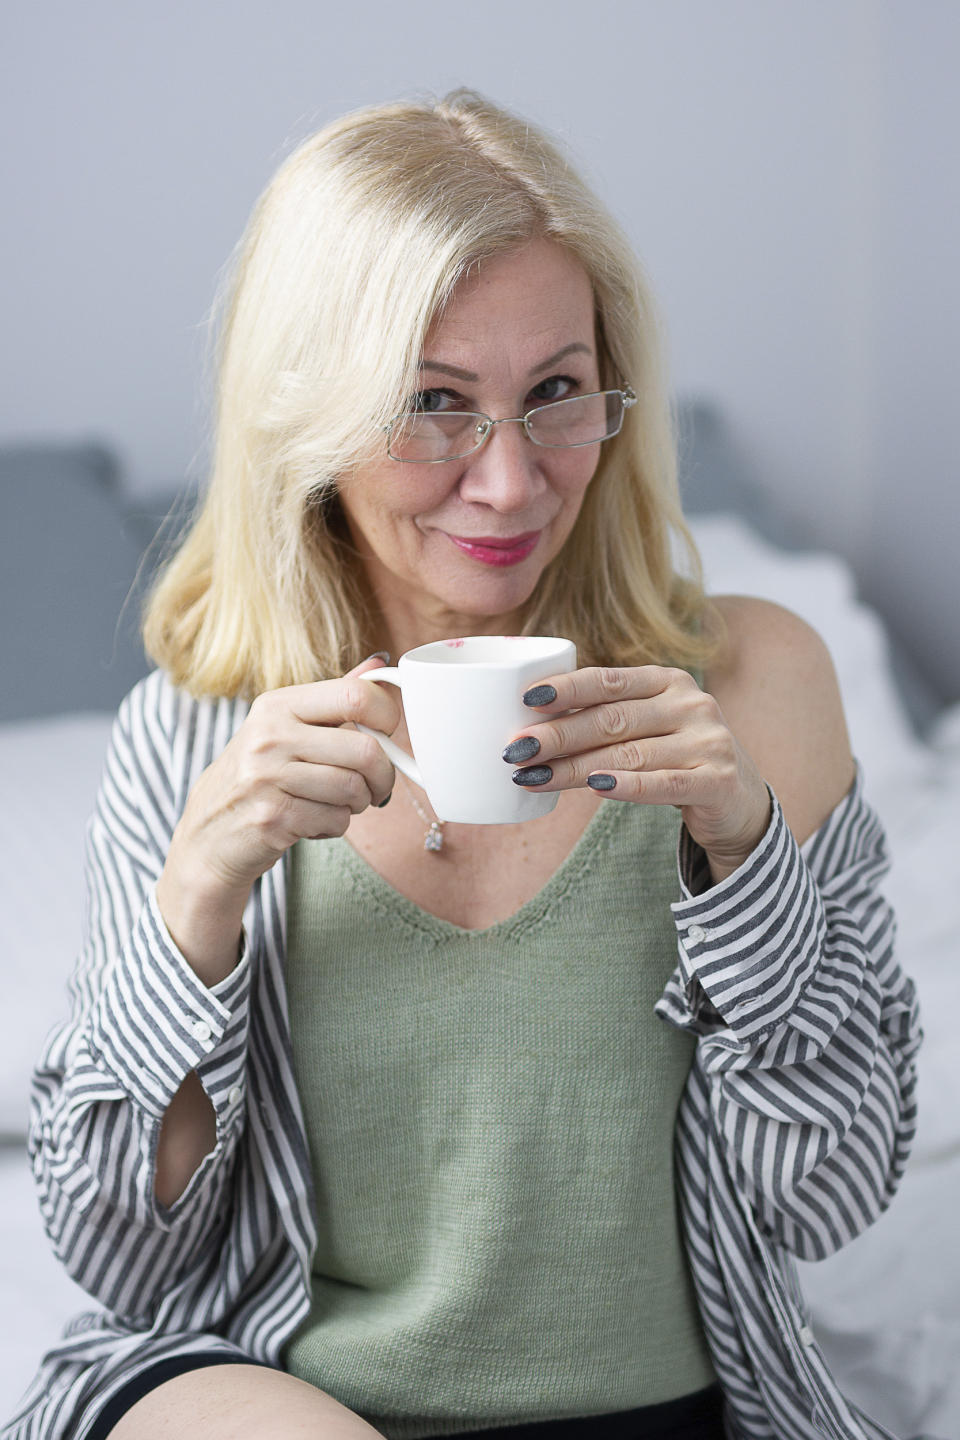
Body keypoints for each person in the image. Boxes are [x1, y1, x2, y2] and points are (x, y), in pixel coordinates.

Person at [4, 90, 920, 1440]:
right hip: (277, 1400)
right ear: (311, 413)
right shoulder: (197, 737)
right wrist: (196, 905)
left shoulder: (750, 687)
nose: (507, 483)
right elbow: (124, 1262)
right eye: (433, 404)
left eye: (555, 394)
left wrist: (747, 861)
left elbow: (825, 1199)